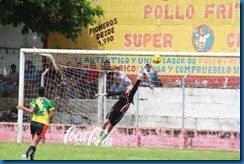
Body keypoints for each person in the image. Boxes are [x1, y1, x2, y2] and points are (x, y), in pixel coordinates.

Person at [95, 72, 143, 146]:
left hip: (120, 113)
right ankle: (98, 137)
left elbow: (136, 86)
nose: (132, 86)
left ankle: (101, 141)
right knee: (106, 122)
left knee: (110, 127)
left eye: (132, 86)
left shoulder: (131, 95)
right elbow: (113, 93)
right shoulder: (122, 92)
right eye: (130, 86)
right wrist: (102, 94)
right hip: (114, 109)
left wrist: (138, 79)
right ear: (127, 87)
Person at [16, 87, 55, 160]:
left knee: (34, 142)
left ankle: (32, 159)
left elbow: (31, 111)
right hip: (42, 123)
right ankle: (26, 155)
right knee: (34, 143)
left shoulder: (35, 100)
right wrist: (47, 118)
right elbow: (51, 115)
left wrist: (22, 107)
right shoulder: (50, 102)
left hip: (33, 123)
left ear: (37, 93)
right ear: (46, 93)